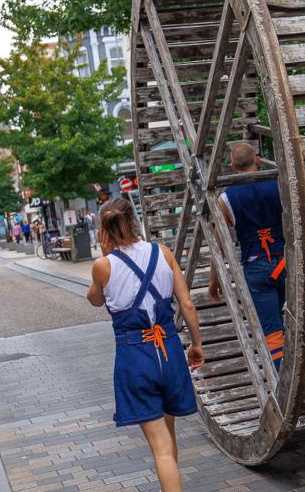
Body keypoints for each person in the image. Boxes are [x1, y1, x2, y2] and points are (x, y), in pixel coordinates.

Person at [87, 198, 204, 492]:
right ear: (134, 220)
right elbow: (187, 304)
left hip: (135, 357)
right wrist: (197, 344)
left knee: (160, 448)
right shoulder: (162, 252)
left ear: (103, 229)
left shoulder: (103, 266)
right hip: (170, 351)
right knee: (169, 435)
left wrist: (105, 255)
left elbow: (95, 299)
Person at [209, 142, 286, 368]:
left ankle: (281, 377)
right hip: (285, 261)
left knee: (271, 328)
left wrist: (214, 279)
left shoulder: (226, 199)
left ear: (232, 167)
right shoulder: (277, 185)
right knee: (286, 319)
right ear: (258, 160)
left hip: (256, 266)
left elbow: (219, 242)